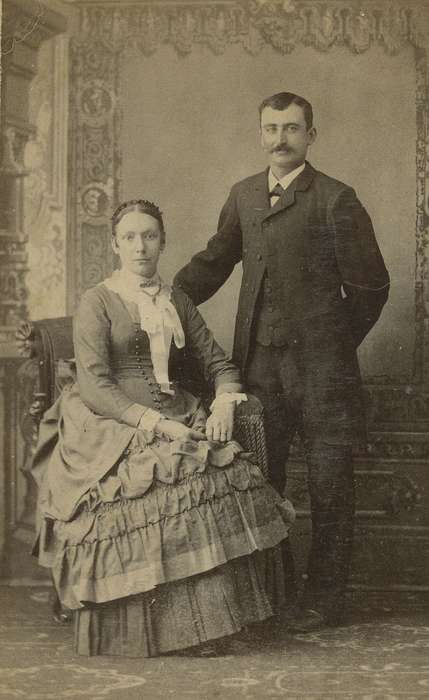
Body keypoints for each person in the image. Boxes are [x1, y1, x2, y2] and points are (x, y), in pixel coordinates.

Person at [33, 198, 294, 658]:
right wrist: (154, 424)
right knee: (154, 491)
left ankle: (210, 623)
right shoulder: (97, 300)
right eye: (130, 237)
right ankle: (164, 630)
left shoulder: (177, 300)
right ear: (115, 244)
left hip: (177, 413)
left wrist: (223, 407)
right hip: (109, 420)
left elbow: (219, 363)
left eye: (149, 236)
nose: (140, 247)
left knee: (220, 476)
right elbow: (94, 384)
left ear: (163, 242)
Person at [174, 92, 390, 632]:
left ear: (311, 135)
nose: (280, 139)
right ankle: (272, 595)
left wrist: (331, 346)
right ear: (259, 133)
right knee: (258, 482)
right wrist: (159, 299)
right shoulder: (244, 195)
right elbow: (212, 264)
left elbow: (370, 289)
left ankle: (325, 601)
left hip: (323, 378)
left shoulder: (337, 200)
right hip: (259, 374)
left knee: (329, 487)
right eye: (271, 128)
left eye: (292, 129)